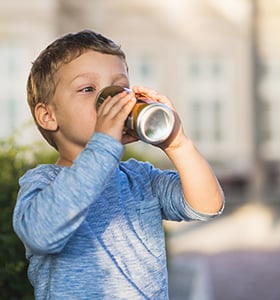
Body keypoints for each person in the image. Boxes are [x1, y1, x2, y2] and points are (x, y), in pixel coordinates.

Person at [13, 29, 224, 299]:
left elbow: (207, 205)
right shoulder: (42, 183)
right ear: (48, 116)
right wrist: (103, 145)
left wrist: (177, 143)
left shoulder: (140, 179)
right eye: (88, 89)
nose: (111, 101)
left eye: (119, 89)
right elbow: (41, 234)